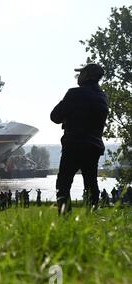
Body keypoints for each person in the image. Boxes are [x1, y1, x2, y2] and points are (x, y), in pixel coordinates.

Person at [51, 63, 109, 215]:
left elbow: (54, 116)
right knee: (91, 183)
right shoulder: (104, 97)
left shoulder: (74, 93)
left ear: (88, 75)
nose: (78, 76)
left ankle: (66, 219)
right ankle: (92, 216)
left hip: (74, 144)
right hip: (94, 146)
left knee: (63, 184)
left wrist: (68, 116)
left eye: (81, 73)